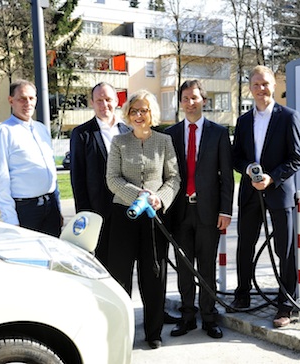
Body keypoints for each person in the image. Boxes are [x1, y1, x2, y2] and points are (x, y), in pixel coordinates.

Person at [231, 65, 300, 328]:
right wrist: (249, 170)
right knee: (245, 245)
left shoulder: (288, 117)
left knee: (283, 249)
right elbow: (236, 157)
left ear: (274, 85)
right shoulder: (242, 121)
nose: (261, 89)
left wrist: (272, 177)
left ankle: (286, 304)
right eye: (256, 84)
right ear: (249, 88)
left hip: (279, 192)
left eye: (265, 84)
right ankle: (242, 295)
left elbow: (297, 158)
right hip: (250, 192)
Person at [106, 90, 180, 349]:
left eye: (144, 110)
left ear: (152, 114)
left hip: (153, 218)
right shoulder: (118, 142)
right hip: (124, 215)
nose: (139, 115)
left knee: (154, 274)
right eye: (135, 110)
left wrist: (159, 198)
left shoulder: (164, 141)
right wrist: (138, 195)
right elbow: (112, 179)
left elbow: (173, 178)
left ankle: (153, 332)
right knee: (120, 275)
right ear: (128, 113)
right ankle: (121, 332)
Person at [165, 80, 234, 339]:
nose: (190, 102)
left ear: (204, 100)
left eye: (194, 97)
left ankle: (209, 317)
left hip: (209, 213)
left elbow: (226, 176)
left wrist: (225, 211)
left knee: (207, 267)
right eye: (185, 98)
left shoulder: (218, 133)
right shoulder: (170, 134)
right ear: (180, 102)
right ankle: (187, 317)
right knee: (184, 268)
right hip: (180, 213)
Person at [0, 79, 62, 237]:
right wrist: (11, 220)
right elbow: (1, 179)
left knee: (52, 254)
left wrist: (58, 207)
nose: (27, 103)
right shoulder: (3, 132)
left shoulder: (41, 129)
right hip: (26, 209)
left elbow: (51, 170)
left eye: (31, 98)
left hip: (50, 205)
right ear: (11, 100)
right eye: (22, 98)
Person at [70, 82, 131, 266]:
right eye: (99, 101)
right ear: (92, 103)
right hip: (99, 214)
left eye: (108, 99)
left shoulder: (128, 131)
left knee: (125, 265)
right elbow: (77, 179)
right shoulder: (82, 134)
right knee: (102, 265)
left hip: (127, 211)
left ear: (117, 101)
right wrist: (85, 216)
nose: (104, 105)